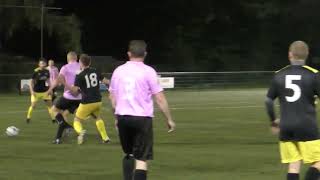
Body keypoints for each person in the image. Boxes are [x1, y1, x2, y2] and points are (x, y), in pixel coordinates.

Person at [109, 40, 176, 180]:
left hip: (123, 117)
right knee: (141, 159)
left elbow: (112, 96)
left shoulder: (118, 71)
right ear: (145, 54)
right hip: (142, 119)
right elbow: (160, 98)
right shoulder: (148, 71)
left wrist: (116, 117)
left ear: (129, 54)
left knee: (128, 153)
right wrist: (169, 119)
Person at [265, 41, 320, 180]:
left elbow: (268, 101)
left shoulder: (279, 74)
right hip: (307, 125)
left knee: (294, 164)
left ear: (290, 54)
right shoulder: (313, 75)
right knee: (318, 162)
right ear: (306, 54)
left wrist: (273, 122)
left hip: (286, 126)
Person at [66, 54, 110, 144]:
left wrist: (68, 86)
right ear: (89, 62)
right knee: (97, 118)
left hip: (87, 102)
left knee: (77, 120)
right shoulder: (95, 71)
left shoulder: (80, 75)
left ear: (80, 63)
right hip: (98, 100)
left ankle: (80, 132)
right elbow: (106, 81)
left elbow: (74, 91)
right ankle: (105, 138)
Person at [47, 52, 82, 144]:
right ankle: (59, 138)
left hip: (68, 97)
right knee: (64, 114)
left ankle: (66, 126)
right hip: (79, 98)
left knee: (53, 110)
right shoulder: (81, 67)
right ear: (76, 58)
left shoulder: (65, 67)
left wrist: (50, 89)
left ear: (68, 59)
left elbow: (58, 79)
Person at [26, 58, 55, 123]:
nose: (43, 64)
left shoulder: (47, 71)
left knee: (50, 105)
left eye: (44, 63)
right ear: (39, 64)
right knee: (33, 105)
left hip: (45, 91)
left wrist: (50, 89)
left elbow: (48, 80)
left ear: (45, 64)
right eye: (41, 63)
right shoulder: (36, 71)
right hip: (36, 92)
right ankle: (28, 117)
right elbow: (31, 82)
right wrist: (31, 91)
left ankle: (53, 119)